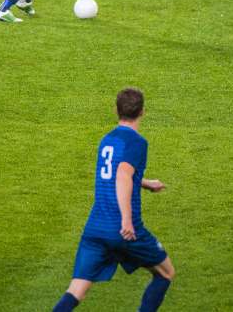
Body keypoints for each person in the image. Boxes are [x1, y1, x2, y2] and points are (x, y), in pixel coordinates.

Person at [53, 88, 175, 312]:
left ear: (115, 111)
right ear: (143, 112)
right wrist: (127, 221)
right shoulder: (137, 143)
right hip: (124, 230)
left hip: (95, 229)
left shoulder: (107, 140)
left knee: (76, 290)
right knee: (165, 273)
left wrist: (146, 183)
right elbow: (122, 175)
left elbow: (113, 176)